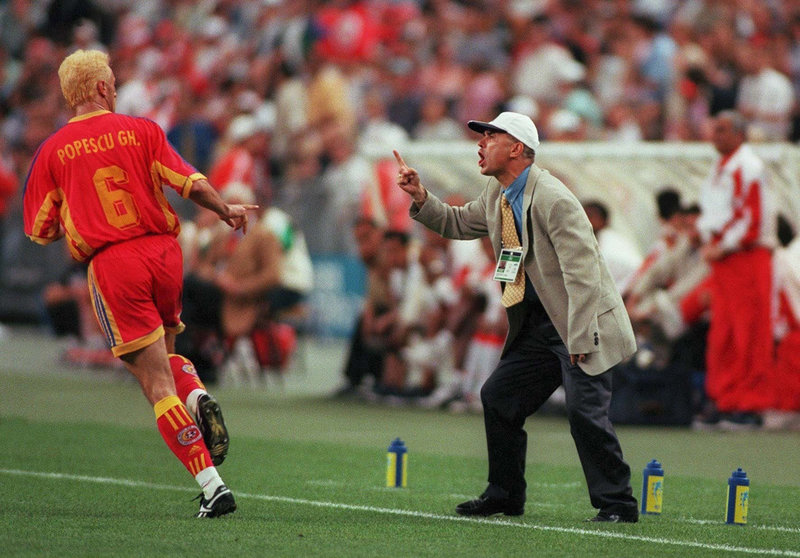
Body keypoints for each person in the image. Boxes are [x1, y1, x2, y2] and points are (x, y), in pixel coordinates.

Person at [22, 49, 257, 518]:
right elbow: (189, 182)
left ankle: (213, 486)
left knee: (154, 384)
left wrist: (77, 212)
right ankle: (198, 395)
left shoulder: (52, 151)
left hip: (114, 263)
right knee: (168, 361)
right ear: (103, 89)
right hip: (165, 254)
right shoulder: (143, 130)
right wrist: (225, 210)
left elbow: (39, 228)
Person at [394, 111, 638, 522]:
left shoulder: (555, 199)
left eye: (491, 136)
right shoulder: (497, 195)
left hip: (580, 324)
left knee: (584, 412)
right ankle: (504, 495)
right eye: (482, 136)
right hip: (540, 326)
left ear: (517, 149)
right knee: (499, 397)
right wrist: (420, 196)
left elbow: (584, 276)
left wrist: (578, 337)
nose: (481, 142)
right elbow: (455, 222)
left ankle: (618, 504)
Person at [696, 110, 776, 429]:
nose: (716, 136)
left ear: (740, 135)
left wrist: (722, 244)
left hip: (747, 256)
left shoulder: (749, 167)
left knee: (750, 332)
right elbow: (716, 213)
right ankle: (725, 398)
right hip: (725, 258)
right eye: (715, 130)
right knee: (724, 333)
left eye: (723, 130)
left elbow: (751, 218)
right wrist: (704, 237)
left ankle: (751, 405)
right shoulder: (719, 168)